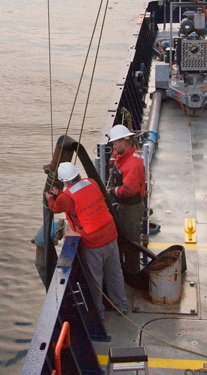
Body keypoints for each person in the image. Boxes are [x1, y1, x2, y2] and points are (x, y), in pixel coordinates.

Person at [47, 162, 129, 319]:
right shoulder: (91, 182)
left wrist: (50, 197)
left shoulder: (66, 198)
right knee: (115, 273)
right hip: (111, 234)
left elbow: (55, 207)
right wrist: (60, 193)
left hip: (93, 243)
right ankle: (121, 305)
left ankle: (98, 313)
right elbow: (80, 195)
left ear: (64, 181)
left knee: (95, 279)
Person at [108, 124, 145, 273]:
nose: (113, 147)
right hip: (123, 205)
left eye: (115, 144)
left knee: (131, 242)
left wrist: (112, 191)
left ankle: (132, 272)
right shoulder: (124, 153)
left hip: (131, 209)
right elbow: (115, 155)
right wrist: (112, 163)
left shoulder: (132, 164)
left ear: (123, 143)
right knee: (122, 237)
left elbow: (130, 189)